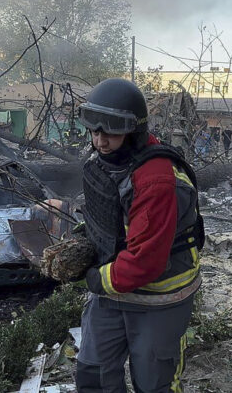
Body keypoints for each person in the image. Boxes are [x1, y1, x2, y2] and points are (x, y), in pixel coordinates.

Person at [76, 78, 204, 392]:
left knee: (153, 383)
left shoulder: (157, 179)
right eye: (95, 131)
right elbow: (106, 215)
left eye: (111, 132)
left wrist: (96, 279)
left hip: (159, 295)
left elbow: (147, 260)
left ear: (133, 131)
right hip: (114, 288)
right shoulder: (107, 161)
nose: (100, 142)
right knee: (94, 376)